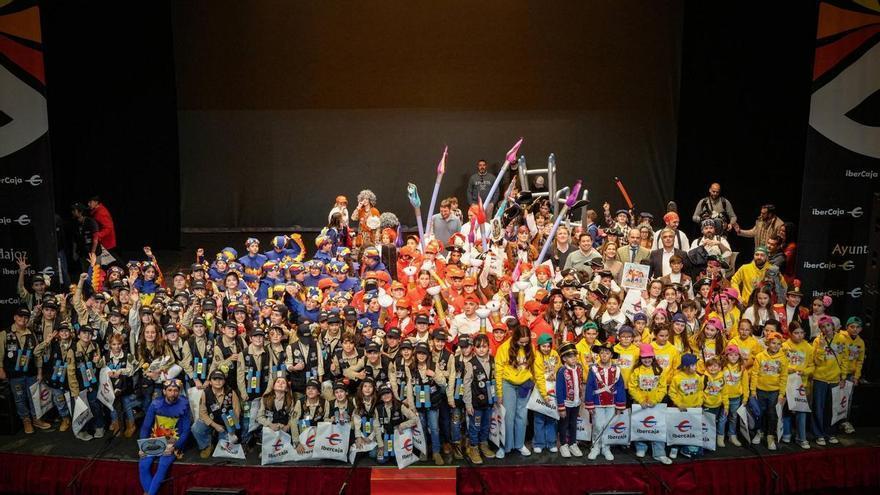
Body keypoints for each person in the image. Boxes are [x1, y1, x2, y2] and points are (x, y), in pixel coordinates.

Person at [0, 308, 52, 434]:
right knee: (19, 398)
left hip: (31, 372)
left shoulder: (31, 333)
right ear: (14, 317)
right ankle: (26, 420)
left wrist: (39, 372)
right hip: (14, 374)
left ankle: (36, 419)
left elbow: (37, 355)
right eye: (20, 316)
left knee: (34, 397)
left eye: (26, 317)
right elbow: (0, 353)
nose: (23, 319)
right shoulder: (4, 333)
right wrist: (0, 369)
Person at [138, 379, 191, 495]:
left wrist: (174, 446)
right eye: (170, 390)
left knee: (162, 465)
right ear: (164, 391)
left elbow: (186, 431)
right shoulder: (155, 404)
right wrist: (142, 446)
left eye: (176, 390)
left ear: (179, 391)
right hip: (156, 439)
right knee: (143, 464)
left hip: (173, 441)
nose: (173, 393)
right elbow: (146, 427)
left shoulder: (185, 405)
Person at [494, 321, 534, 458]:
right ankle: (505, 445)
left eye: (526, 342)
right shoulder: (504, 348)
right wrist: (499, 393)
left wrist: (531, 381)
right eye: (521, 342)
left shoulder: (530, 347)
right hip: (508, 384)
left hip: (524, 385)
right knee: (508, 416)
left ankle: (519, 444)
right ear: (515, 338)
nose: (524, 345)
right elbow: (498, 372)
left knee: (522, 416)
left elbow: (534, 367)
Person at [628, 343, 672, 464]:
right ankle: (641, 447)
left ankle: (659, 452)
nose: (647, 359)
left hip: (655, 405)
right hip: (640, 404)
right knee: (640, 425)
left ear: (653, 357)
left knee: (657, 427)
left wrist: (655, 400)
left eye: (649, 357)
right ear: (640, 358)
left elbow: (662, 388)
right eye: (644, 357)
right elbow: (632, 387)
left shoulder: (659, 370)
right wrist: (640, 400)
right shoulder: (636, 371)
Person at [584, 342, 627, 460]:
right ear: (598, 355)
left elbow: (620, 387)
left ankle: (606, 447)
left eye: (607, 353)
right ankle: (596, 446)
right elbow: (589, 387)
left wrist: (620, 405)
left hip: (612, 402)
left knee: (608, 425)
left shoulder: (616, 370)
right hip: (597, 402)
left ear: (611, 355)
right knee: (598, 425)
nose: (604, 355)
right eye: (602, 352)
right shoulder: (593, 369)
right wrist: (590, 404)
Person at [749, 332, 788, 450]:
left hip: (774, 391)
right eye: (773, 343)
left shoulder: (783, 359)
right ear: (768, 343)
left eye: (778, 344)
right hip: (760, 390)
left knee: (772, 414)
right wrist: (753, 390)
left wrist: (781, 393)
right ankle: (759, 432)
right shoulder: (760, 356)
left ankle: (770, 436)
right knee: (759, 413)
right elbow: (754, 374)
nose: (775, 346)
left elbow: (783, 377)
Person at [192, 370, 241, 457]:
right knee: (196, 428)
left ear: (224, 381)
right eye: (215, 379)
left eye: (220, 379)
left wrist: (230, 428)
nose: (218, 381)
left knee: (224, 450)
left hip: (227, 424)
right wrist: (215, 426)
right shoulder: (205, 393)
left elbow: (237, 412)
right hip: (212, 422)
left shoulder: (231, 393)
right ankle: (206, 446)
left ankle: (218, 437)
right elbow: (202, 413)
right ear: (210, 382)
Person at [781, 322, 813, 448]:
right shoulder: (784, 346)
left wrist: (804, 371)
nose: (799, 336)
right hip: (787, 383)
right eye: (796, 333)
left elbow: (812, 366)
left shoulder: (808, 347)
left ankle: (801, 437)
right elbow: (780, 363)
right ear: (790, 333)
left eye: (801, 333)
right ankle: (787, 433)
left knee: (801, 410)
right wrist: (788, 369)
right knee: (786, 409)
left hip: (801, 384)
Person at [555, 342, 584, 458]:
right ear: (564, 358)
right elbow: (560, 390)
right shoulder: (562, 371)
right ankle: (563, 444)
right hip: (566, 404)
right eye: (570, 356)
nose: (574, 358)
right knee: (563, 424)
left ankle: (572, 443)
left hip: (576, 402)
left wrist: (580, 398)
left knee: (573, 424)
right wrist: (561, 407)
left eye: (575, 355)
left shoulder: (579, 369)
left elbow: (579, 384)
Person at [531, 334, 560, 454]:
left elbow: (558, 364)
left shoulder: (554, 354)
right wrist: (544, 395)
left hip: (553, 390)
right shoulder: (536, 357)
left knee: (552, 417)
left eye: (548, 346)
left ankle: (551, 442)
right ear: (539, 346)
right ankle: (539, 443)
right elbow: (538, 377)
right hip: (540, 390)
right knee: (539, 418)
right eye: (544, 346)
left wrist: (555, 371)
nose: (546, 348)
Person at [88, 196, 118, 263]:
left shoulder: (101, 212)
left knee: (114, 261)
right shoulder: (96, 211)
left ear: (96, 202)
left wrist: (98, 235)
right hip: (103, 241)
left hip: (106, 242)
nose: (88, 204)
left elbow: (108, 228)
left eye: (90, 202)